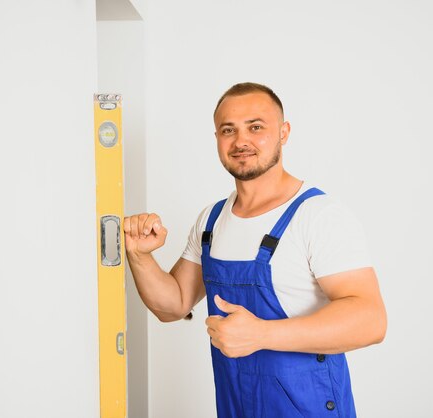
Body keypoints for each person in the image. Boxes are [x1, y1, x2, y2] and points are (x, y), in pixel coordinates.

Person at [124, 82, 387, 418]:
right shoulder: (211, 220)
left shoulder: (318, 216)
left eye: (256, 127)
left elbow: (370, 320)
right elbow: (172, 305)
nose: (240, 141)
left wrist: (261, 334)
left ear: (284, 133)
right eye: (227, 130)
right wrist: (139, 255)